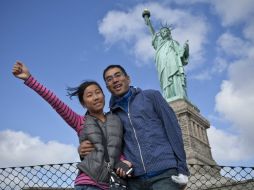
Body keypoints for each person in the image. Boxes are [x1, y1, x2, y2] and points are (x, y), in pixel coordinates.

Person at [12, 61, 131, 190]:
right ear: (83, 104)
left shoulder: (116, 119)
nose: (96, 97)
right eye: (89, 95)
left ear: (103, 94)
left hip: (111, 185)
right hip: (87, 183)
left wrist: (125, 162)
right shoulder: (79, 121)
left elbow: (116, 149)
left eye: (98, 92)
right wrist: (29, 79)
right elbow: (55, 101)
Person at [79, 65, 190, 190]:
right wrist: (83, 150)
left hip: (164, 174)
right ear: (107, 87)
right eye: (109, 79)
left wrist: (182, 168)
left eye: (118, 75)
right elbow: (107, 145)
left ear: (128, 79)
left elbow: (173, 130)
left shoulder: (151, 97)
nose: (114, 80)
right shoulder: (112, 116)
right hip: (133, 181)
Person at [143, 9, 189, 102]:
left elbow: (181, 55)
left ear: (169, 33)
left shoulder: (174, 42)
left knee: (176, 77)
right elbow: (152, 33)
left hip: (173, 63)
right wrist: (148, 21)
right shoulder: (159, 43)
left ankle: (179, 94)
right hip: (163, 65)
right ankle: (168, 96)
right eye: (162, 32)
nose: (164, 32)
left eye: (166, 31)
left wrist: (185, 48)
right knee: (165, 80)